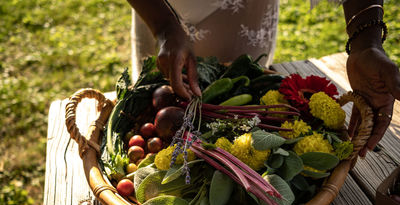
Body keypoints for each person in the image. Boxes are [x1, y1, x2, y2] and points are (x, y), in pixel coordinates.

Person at [127, 0, 400, 157]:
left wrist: (366, 41)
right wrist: (163, 25)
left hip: (246, 10)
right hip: (161, 7)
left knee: (245, 76)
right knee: (163, 89)